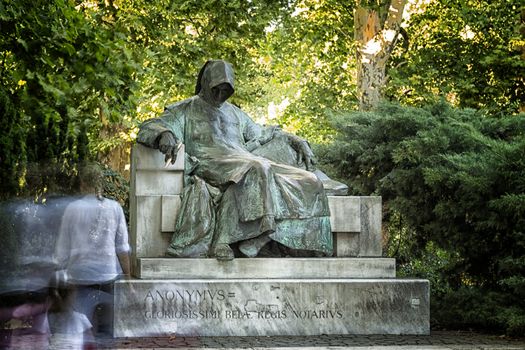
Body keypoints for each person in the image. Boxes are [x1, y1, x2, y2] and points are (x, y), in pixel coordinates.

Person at [137, 59, 345, 260]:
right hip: (209, 161)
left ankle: (273, 240)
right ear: (205, 83)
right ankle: (261, 232)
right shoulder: (185, 108)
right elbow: (150, 126)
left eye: (225, 90)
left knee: (309, 180)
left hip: (242, 160)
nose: (220, 94)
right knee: (257, 166)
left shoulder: (236, 114)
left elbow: (264, 132)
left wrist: (297, 140)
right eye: (216, 88)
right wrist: (163, 133)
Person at [53, 164, 131, 335]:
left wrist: (59, 275)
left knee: (81, 329)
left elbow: (62, 250)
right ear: (101, 183)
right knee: (107, 330)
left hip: (79, 277)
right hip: (107, 276)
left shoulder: (73, 209)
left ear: (82, 183)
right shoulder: (115, 208)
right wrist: (128, 278)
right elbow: (122, 248)